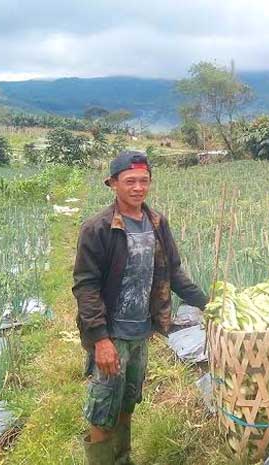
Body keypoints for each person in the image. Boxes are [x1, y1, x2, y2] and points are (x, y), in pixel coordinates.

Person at [72, 150, 208, 464]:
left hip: (140, 332)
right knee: (103, 411)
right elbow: (86, 286)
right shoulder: (98, 229)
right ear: (112, 183)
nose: (138, 187)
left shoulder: (157, 223)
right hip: (112, 335)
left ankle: (124, 460)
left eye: (143, 181)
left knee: (127, 405)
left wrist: (209, 304)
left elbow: (173, 273)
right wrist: (100, 340)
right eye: (129, 181)